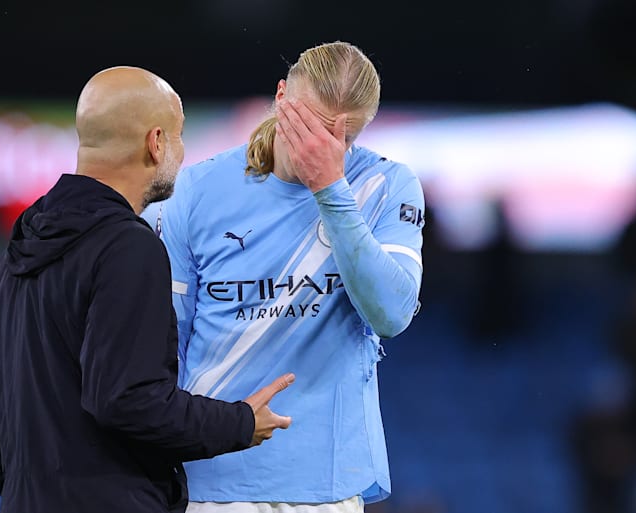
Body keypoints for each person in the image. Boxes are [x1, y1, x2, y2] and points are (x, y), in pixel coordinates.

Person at [0, 66, 295, 513]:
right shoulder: (128, 246)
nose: (181, 150)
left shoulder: (17, 251)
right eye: (178, 135)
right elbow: (126, 399)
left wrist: (32, 486)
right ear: (156, 143)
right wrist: (239, 423)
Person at [143, 42, 425, 512]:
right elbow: (165, 341)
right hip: (211, 478)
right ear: (280, 97)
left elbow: (392, 314)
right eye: (308, 126)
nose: (318, 148)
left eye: (341, 139)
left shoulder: (385, 185)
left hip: (325, 484)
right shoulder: (195, 189)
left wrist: (331, 189)